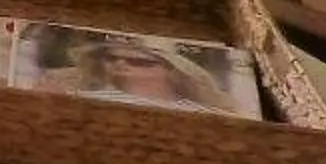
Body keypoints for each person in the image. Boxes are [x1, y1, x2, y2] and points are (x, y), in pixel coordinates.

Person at [33, 34, 239, 114]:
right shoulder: (82, 97)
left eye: (138, 61)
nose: (120, 63)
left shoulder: (201, 112)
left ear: (171, 71)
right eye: (111, 58)